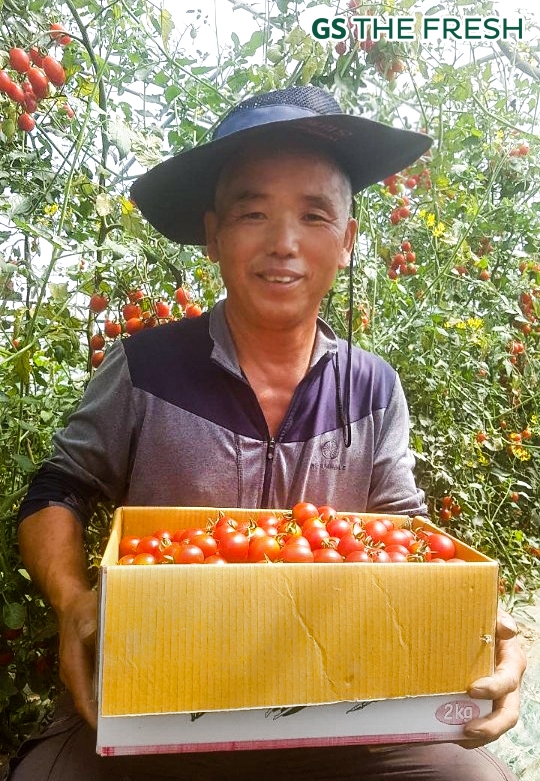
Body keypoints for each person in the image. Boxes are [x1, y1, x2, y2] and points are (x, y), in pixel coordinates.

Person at [9, 86, 525, 781]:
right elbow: (57, 490)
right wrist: (75, 603)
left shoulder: (373, 388)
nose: (283, 243)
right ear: (214, 234)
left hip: (340, 705)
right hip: (161, 693)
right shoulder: (144, 369)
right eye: (253, 213)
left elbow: (406, 539)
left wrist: (481, 623)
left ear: (347, 240)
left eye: (314, 215)